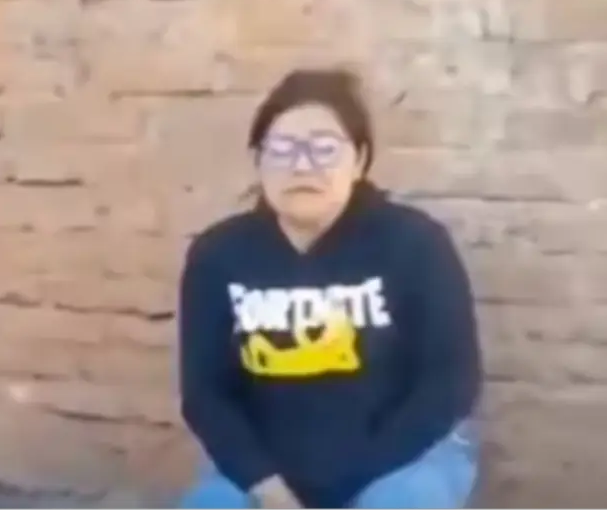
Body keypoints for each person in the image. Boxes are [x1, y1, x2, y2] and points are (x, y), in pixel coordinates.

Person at [176, 68, 482, 509]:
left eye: (324, 149)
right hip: (268, 467)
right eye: (282, 149)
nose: (302, 166)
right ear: (258, 159)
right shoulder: (219, 255)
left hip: (402, 457)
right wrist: (268, 486)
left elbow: (450, 383)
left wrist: (348, 483)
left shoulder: (414, 243)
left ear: (359, 160)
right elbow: (205, 396)